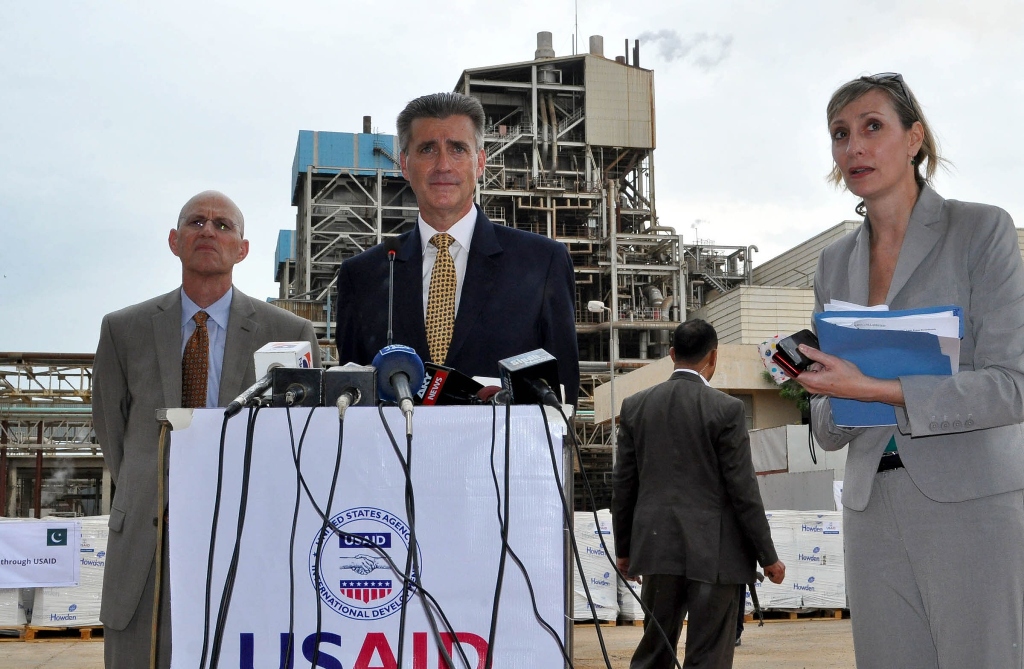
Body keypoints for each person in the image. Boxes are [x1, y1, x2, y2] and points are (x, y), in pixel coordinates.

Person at [796, 73, 1024, 668]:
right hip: (872, 507)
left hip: (972, 503)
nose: (855, 147)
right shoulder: (832, 263)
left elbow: (1013, 385)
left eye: (873, 127)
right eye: (840, 134)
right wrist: (824, 392)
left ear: (914, 138)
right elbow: (827, 425)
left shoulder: (981, 230)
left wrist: (874, 388)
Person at [92, 190, 320, 668]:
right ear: (175, 241)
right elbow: (114, 435)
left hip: (246, 539)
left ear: (243, 248)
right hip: (148, 545)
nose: (208, 232)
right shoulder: (122, 329)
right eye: (196, 222)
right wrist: (157, 489)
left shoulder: (289, 334)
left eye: (223, 225)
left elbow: (301, 441)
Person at [334, 92, 580, 404]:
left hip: (504, 452)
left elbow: (562, 396)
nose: (443, 165)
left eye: (458, 149)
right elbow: (351, 399)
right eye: (427, 149)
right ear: (404, 165)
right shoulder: (363, 276)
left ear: (480, 162)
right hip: (397, 453)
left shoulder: (543, 263)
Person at [612, 319, 785, 669]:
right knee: (708, 656)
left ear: (671, 354)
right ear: (713, 356)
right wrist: (767, 556)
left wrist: (625, 550)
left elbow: (624, 485)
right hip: (716, 554)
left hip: (657, 548)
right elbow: (742, 489)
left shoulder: (635, 407)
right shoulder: (726, 409)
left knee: (655, 650)